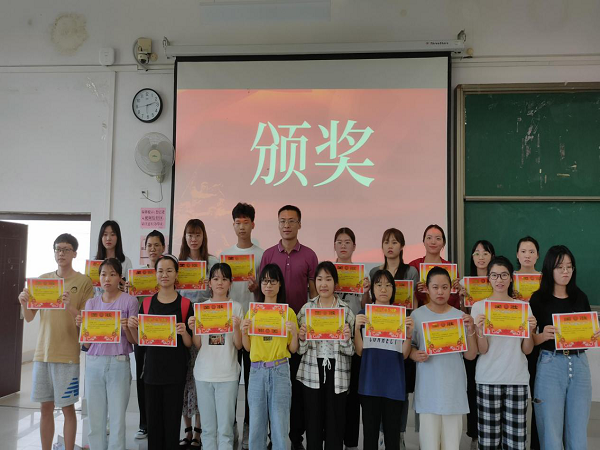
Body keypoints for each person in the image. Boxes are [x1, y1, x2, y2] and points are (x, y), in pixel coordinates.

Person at [18, 233, 94, 450]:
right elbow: (30, 317)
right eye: (58, 249)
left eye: (66, 249)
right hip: (42, 354)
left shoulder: (83, 282)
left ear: (75, 253)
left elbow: (87, 321)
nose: (61, 253)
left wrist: (70, 307)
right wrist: (24, 302)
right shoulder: (43, 281)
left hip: (67, 355)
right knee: (45, 408)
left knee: (68, 408)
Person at [259, 205, 318, 450]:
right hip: (270, 334)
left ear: (299, 224)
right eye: (282, 220)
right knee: (271, 391)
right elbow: (262, 291)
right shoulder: (268, 254)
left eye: (292, 220)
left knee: (295, 387)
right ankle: (274, 437)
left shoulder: (309, 255)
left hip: (297, 330)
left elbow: (314, 294)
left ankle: (295, 438)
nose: (287, 225)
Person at [530, 245, 598, 450]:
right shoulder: (538, 299)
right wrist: (542, 336)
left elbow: (587, 332)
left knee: (578, 432)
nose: (565, 271)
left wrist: (593, 336)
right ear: (549, 269)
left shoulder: (581, 297)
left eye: (569, 266)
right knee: (550, 432)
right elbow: (529, 341)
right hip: (550, 363)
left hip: (579, 364)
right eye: (560, 267)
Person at [128, 255, 194, 450]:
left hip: (175, 374)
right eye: (160, 271)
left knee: (172, 425)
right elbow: (139, 341)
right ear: (155, 274)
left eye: (169, 270)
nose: (165, 275)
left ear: (176, 274)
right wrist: (131, 327)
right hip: (151, 373)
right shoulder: (147, 304)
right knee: (154, 426)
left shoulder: (185, 304)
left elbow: (189, 344)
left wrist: (183, 332)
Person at [471, 256, 536, 450]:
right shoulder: (479, 307)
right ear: (488, 279)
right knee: (488, 442)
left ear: (511, 278)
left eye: (504, 275)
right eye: (494, 275)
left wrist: (530, 331)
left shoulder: (523, 307)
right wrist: (479, 330)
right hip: (488, 378)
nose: (499, 280)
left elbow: (527, 350)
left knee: (516, 443)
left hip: (517, 379)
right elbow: (482, 350)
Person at [362, 228, 419, 448]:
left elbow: (413, 304)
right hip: (377, 340)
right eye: (386, 242)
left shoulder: (410, 271)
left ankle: (398, 433)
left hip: (400, 333)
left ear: (402, 246)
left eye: (395, 242)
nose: (390, 246)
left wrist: (407, 328)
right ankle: (382, 434)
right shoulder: (374, 271)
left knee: (397, 393)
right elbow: (367, 305)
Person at [410, 267, 478, 450]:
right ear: (427, 289)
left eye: (444, 287)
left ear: (451, 289)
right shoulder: (417, 315)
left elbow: (471, 355)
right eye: (435, 287)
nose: (440, 292)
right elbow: (410, 347)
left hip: (453, 391)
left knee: (451, 445)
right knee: (429, 445)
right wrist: (414, 354)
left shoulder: (460, 317)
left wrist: (471, 329)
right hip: (428, 390)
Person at [75, 258, 138, 450]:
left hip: (119, 363)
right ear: (98, 278)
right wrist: (80, 327)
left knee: (117, 418)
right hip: (94, 363)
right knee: (95, 418)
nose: (107, 279)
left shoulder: (130, 301)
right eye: (103, 274)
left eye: (112, 274)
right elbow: (86, 344)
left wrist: (127, 328)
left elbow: (134, 341)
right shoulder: (91, 303)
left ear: (120, 277)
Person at [297, 261, 355, 450]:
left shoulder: (346, 311)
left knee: (335, 425)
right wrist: (302, 338)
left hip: (337, 374)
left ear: (335, 283)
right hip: (311, 373)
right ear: (314, 282)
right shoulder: (306, 310)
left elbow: (352, 351)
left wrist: (346, 339)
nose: (323, 284)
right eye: (320, 279)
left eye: (328, 279)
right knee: (313, 424)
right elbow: (299, 350)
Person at [354, 269, 414, 450]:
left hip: (394, 385)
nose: (383, 289)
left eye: (388, 285)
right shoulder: (364, 314)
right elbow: (359, 351)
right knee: (370, 437)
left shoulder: (401, 316)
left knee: (392, 438)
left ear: (393, 290)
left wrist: (409, 334)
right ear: (372, 289)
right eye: (379, 285)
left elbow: (404, 354)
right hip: (369, 384)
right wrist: (356, 328)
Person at [241, 264, 299, 450]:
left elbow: (293, 349)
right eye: (265, 281)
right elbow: (248, 348)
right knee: (256, 426)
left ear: (280, 284)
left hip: (280, 370)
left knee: (280, 427)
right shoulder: (253, 312)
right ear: (260, 284)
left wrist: (294, 333)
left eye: (273, 281)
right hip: (257, 371)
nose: (268, 285)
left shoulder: (288, 313)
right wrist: (243, 332)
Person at [220, 202, 264, 449]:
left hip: (253, 329)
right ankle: (231, 428)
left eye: (246, 222)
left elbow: (268, 289)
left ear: (253, 224)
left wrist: (256, 288)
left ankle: (249, 429)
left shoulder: (262, 255)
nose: (242, 227)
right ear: (233, 225)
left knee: (251, 383)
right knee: (229, 382)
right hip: (229, 329)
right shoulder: (225, 255)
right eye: (238, 222)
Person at [188, 263, 243, 450]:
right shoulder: (201, 308)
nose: (220, 282)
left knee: (225, 430)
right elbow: (198, 344)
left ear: (230, 283)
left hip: (227, 374)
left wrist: (237, 327)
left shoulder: (236, 308)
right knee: (208, 429)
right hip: (204, 374)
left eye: (224, 279)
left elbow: (238, 345)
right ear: (209, 283)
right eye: (216, 278)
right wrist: (193, 328)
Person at [178, 218, 219, 447]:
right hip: (183, 319)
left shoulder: (213, 262)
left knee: (201, 376)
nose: (193, 239)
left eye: (197, 235)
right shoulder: (178, 264)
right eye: (190, 235)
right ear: (184, 237)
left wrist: (209, 285)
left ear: (204, 237)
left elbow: (221, 291)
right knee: (184, 376)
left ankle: (200, 431)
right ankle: (187, 429)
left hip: (206, 321)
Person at [332, 227, 369, 450]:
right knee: (334, 394)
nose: (343, 245)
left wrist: (365, 291)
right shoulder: (327, 272)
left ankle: (351, 443)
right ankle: (333, 439)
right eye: (339, 242)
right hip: (331, 340)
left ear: (354, 246)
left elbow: (365, 307)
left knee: (353, 393)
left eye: (347, 242)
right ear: (334, 246)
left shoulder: (361, 275)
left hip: (354, 338)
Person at [461, 240, 495, 450]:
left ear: (492, 257)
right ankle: (474, 435)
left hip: (496, 342)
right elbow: (463, 318)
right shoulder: (465, 284)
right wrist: (463, 300)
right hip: (473, 340)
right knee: (472, 389)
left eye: (485, 253)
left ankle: (494, 433)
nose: (481, 257)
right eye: (476, 253)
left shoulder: (500, 281)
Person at [131, 229, 165, 440]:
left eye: (156, 245)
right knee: (142, 377)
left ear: (163, 248)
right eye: (149, 246)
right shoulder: (138, 275)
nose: (153, 249)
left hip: (165, 331)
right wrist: (129, 290)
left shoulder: (168, 271)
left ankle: (161, 421)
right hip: (143, 332)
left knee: (163, 377)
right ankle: (144, 423)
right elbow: (135, 304)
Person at [513, 235, 540, 450]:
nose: (527, 255)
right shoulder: (508, 279)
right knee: (518, 396)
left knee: (538, 396)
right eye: (523, 251)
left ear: (538, 256)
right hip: (513, 345)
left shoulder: (546, 280)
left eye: (531, 251)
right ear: (517, 255)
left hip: (539, 343)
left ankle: (536, 445)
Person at [409, 225, 461, 309]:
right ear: (423, 241)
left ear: (443, 243)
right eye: (429, 238)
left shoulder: (451, 269)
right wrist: (417, 292)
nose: (433, 242)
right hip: (420, 313)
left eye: (438, 238)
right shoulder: (413, 266)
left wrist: (456, 291)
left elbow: (454, 302)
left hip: (444, 314)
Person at [93, 220, 132, 295]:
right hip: (99, 301)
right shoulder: (94, 263)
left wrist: (126, 288)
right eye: (105, 234)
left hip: (120, 301)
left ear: (118, 237)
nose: (108, 238)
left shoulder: (125, 261)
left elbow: (130, 287)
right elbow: (91, 290)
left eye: (112, 234)